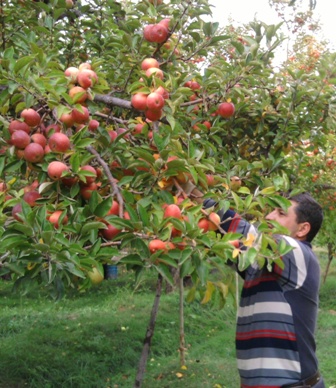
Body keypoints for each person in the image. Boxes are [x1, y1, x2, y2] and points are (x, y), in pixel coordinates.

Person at [202, 192, 325, 388]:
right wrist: (187, 189)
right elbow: (221, 234)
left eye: (281, 213)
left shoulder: (298, 254)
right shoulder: (261, 262)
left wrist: (204, 202)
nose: (268, 217)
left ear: (302, 229)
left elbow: (243, 233)